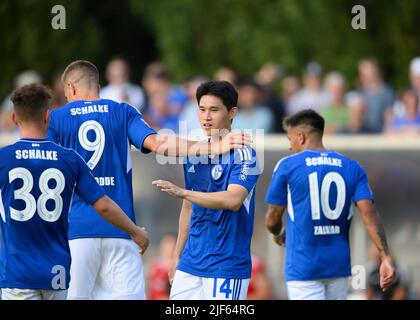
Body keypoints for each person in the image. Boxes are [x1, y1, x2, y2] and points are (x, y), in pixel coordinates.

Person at [47, 61, 249, 300]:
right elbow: (158, 144)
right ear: (98, 87)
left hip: (74, 231)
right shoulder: (123, 111)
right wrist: (212, 146)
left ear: (70, 88)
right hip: (121, 231)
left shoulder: (55, 118)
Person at [0, 84, 148, 300]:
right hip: (56, 271)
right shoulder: (69, 159)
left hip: (17, 271)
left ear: (14, 119)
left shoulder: (4, 158)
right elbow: (103, 205)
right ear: (47, 116)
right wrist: (135, 231)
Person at [264, 109, 395, 300]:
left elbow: (272, 219)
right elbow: (369, 214)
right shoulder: (352, 167)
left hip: (303, 267)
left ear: (300, 137)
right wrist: (385, 257)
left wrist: (277, 233)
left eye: (289, 139)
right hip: (338, 267)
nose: (290, 146)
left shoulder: (288, 165)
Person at [152, 80, 260, 300]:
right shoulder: (195, 152)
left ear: (232, 112)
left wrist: (183, 192)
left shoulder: (246, 154)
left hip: (226, 264)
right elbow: (188, 208)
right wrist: (176, 257)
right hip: (190, 263)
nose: (206, 117)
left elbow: (233, 200)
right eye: (201, 109)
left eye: (214, 110)